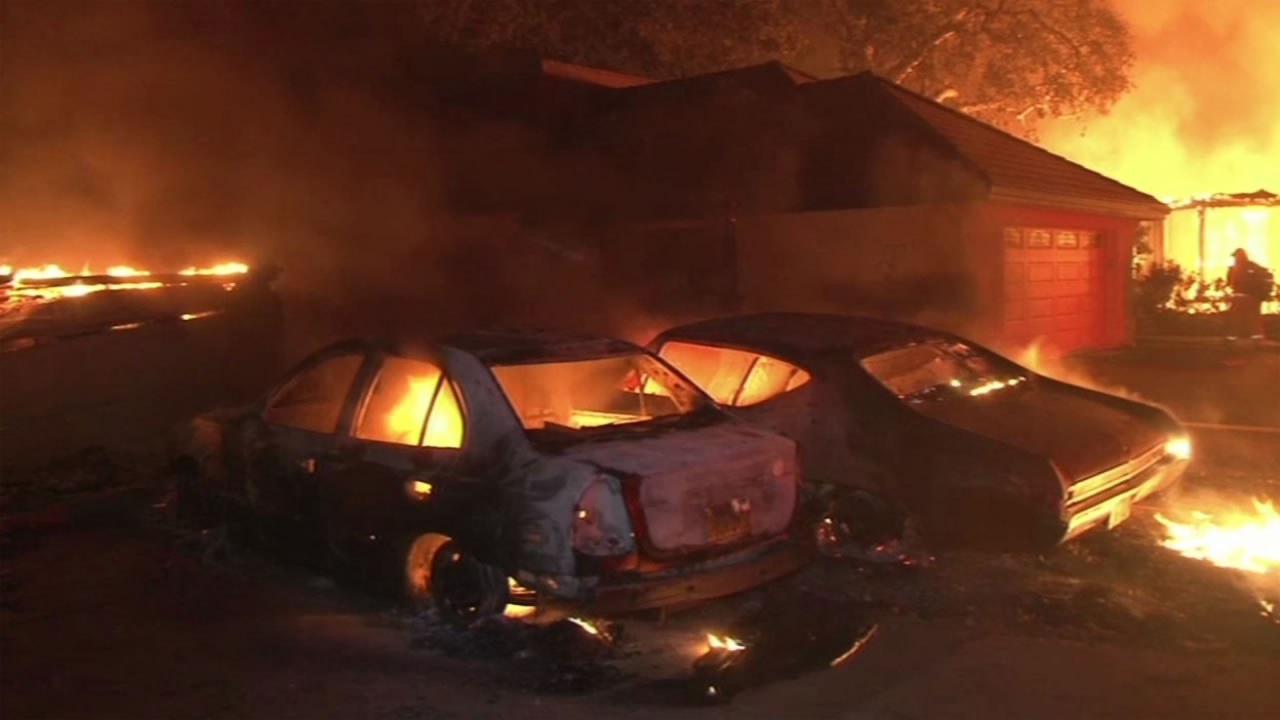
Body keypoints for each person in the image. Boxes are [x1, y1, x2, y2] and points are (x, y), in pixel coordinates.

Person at [1225, 248, 1268, 342]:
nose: (1235, 259)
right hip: (1248, 297)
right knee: (1250, 318)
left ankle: (1235, 338)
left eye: (1236, 256)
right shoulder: (1252, 267)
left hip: (1244, 297)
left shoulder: (1237, 268)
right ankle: (1255, 338)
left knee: (1239, 318)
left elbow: (1230, 283)